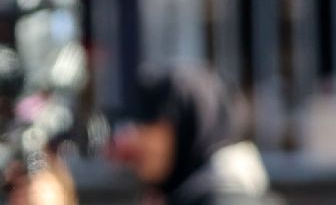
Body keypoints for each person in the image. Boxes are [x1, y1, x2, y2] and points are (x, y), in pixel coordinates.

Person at [111, 64, 279, 204]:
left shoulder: (226, 198)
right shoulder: (185, 193)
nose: (133, 138)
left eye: (148, 125)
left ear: (188, 131)